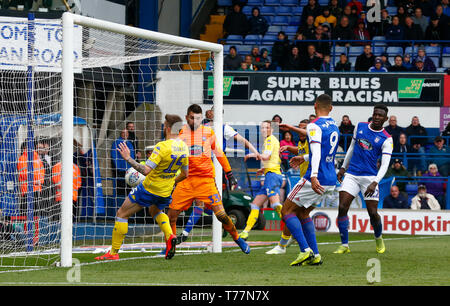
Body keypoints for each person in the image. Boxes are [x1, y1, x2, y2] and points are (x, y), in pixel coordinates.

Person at [95, 114, 189, 261]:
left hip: (149, 188)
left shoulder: (162, 147)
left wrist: (128, 158)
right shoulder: (184, 147)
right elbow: (185, 174)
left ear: (168, 128)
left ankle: (113, 252)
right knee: (155, 210)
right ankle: (170, 235)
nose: (163, 127)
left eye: (164, 125)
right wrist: (170, 181)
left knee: (122, 213)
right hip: (166, 191)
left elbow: (145, 170)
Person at [167, 104, 250, 254]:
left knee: (222, 216)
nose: (195, 121)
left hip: (206, 181)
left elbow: (219, 154)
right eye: (192, 118)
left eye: (198, 118)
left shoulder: (208, 132)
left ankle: (238, 239)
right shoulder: (181, 133)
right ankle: (170, 245)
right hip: (186, 181)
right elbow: (175, 154)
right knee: (171, 216)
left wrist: (230, 174)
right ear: (187, 118)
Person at [281, 94, 339, 266]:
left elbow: (318, 152)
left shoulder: (314, 126)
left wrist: (313, 176)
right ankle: (316, 255)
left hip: (316, 177)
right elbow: (326, 151)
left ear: (315, 106)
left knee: (286, 212)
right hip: (330, 178)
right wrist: (303, 158)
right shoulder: (334, 125)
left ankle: (305, 250)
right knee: (303, 213)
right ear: (331, 108)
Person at [335, 104, 393, 255]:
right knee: (342, 207)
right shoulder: (360, 126)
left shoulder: (387, 139)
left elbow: (385, 165)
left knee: (372, 213)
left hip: (370, 178)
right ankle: (344, 245)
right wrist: (343, 167)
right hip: (352, 174)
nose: (377, 117)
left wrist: (375, 182)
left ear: (385, 119)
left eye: (380, 115)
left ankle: (378, 237)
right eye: (375, 114)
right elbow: (352, 147)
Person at [266, 119, 310, 255]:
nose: (301, 131)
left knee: (288, 211)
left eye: (304, 128)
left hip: (311, 180)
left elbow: (313, 153)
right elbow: (301, 150)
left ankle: (291, 245)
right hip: (308, 180)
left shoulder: (313, 139)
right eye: (300, 127)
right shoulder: (301, 142)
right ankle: (291, 242)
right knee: (300, 213)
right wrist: (290, 148)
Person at [239, 120, 284, 241]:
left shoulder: (270, 140)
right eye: (262, 128)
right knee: (255, 205)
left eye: (267, 127)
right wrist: (264, 169)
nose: (264, 130)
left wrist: (251, 155)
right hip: (271, 173)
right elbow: (273, 159)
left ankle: (292, 230)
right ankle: (245, 232)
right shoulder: (271, 140)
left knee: (275, 205)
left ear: (272, 129)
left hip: (273, 176)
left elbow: (266, 157)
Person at [17, 141, 45, 217]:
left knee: (36, 214)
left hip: (37, 190)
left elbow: (42, 173)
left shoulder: (37, 159)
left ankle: (35, 228)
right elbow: (24, 174)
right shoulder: (22, 159)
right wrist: (36, 180)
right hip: (27, 190)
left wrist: (40, 181)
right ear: (24, 149)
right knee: (26, 213)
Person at [111, 128, 135, 195]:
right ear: (121, 134)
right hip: (121, 169)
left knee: (129, 186)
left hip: (129, 168)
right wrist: (118, 167)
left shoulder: (129, 143)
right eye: (123, 133)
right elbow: (114, 155)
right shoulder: (116, 142)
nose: (125, 134)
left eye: (127, 133)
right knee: (121, 187)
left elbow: (132, 155)